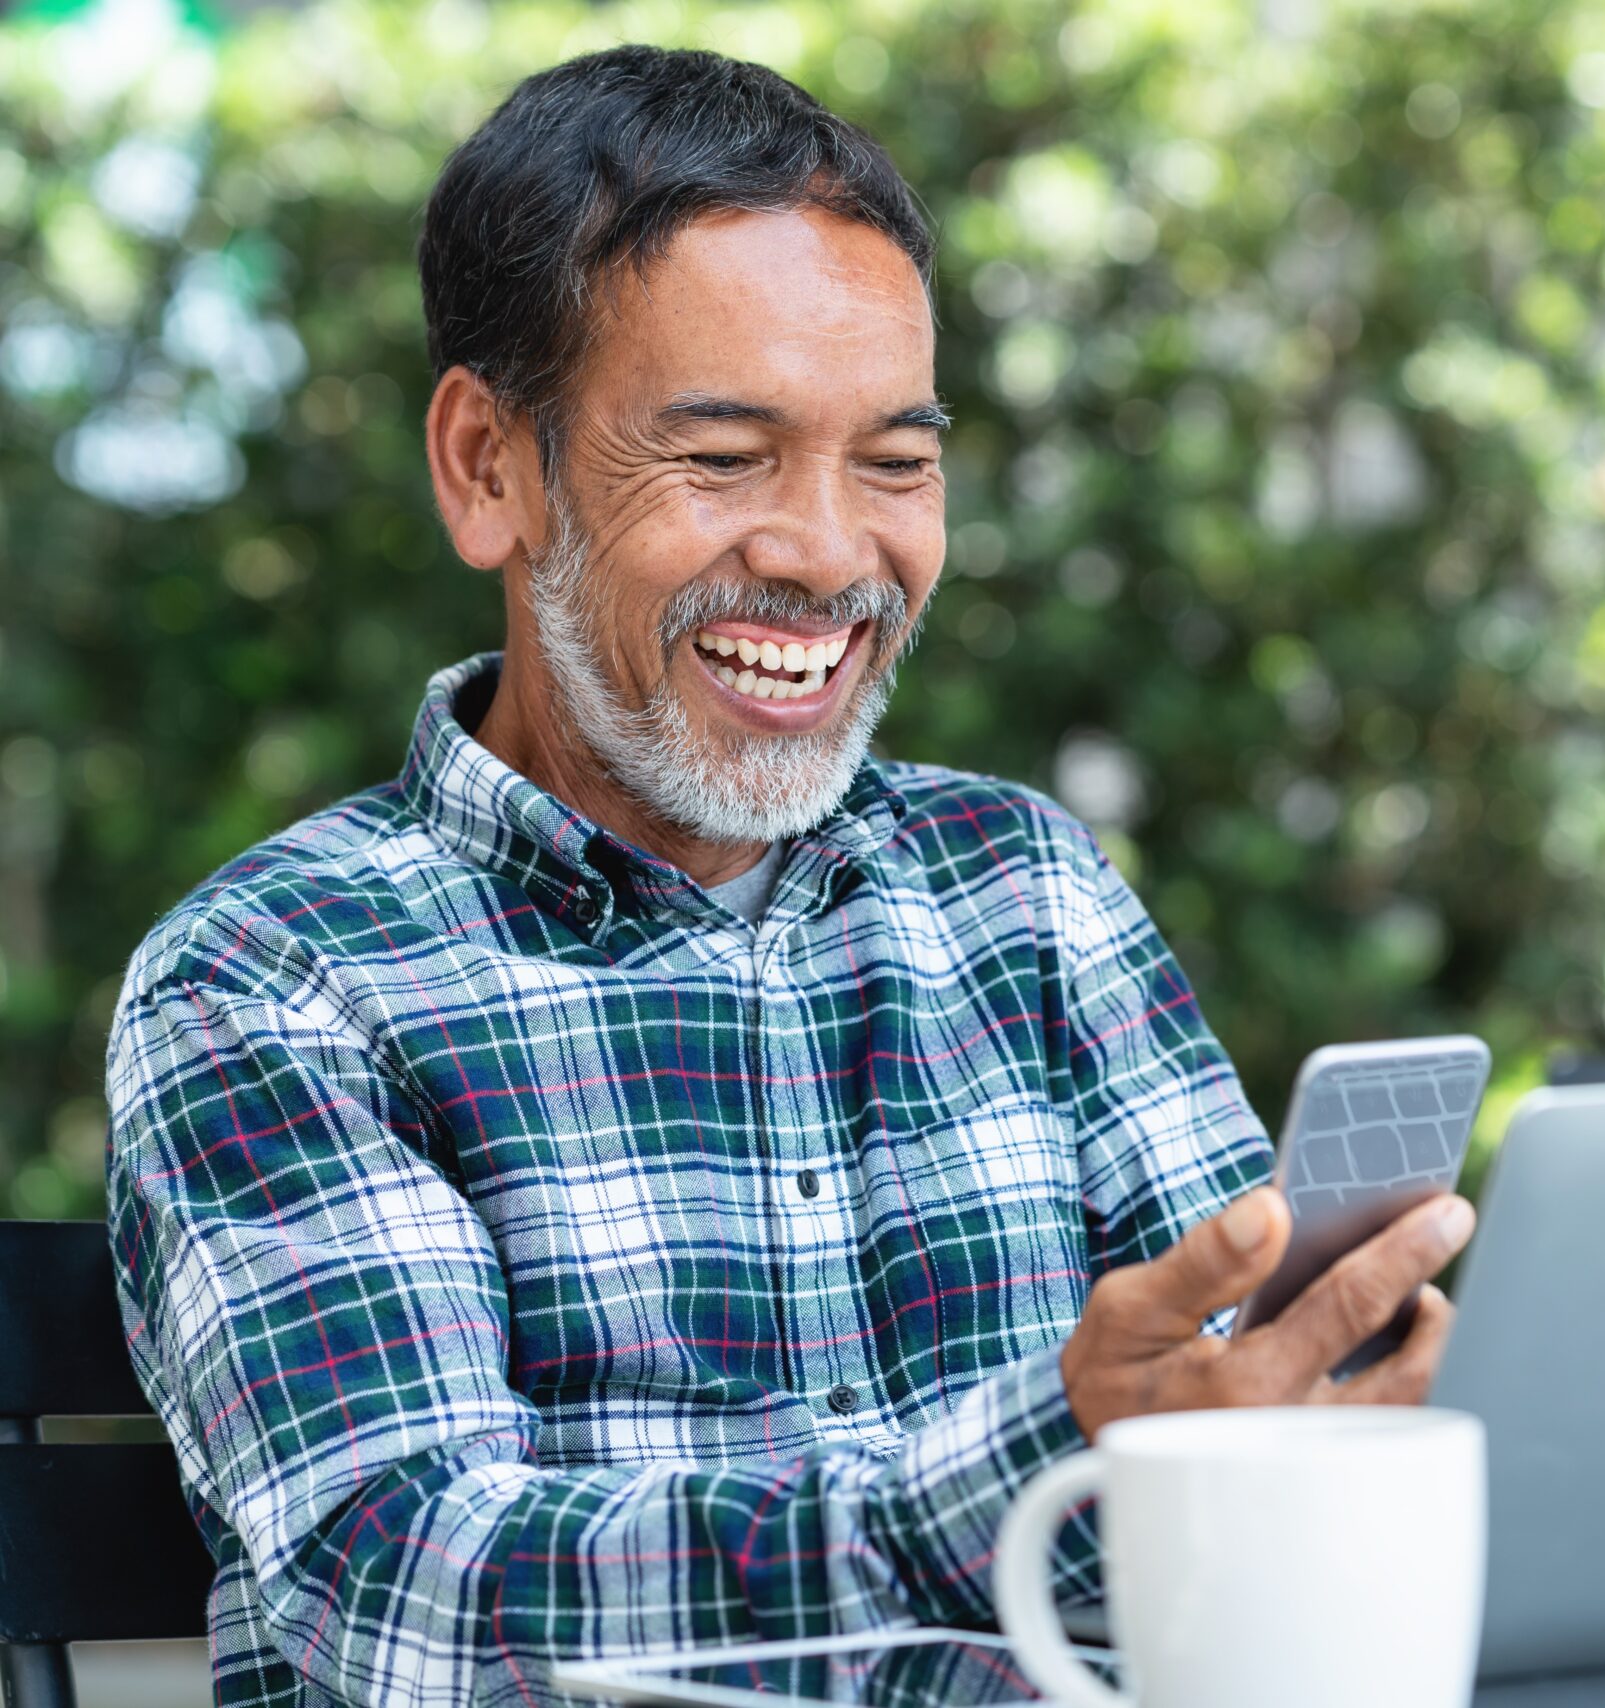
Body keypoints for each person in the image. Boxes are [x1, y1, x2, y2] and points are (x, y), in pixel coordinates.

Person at [104, 45, 1473, 1706]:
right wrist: (1045, 1460)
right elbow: (412, 1593)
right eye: (725, 456)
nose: (830, 555)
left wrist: (1316, 1412)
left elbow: (1226, 1434)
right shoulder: (282, 978)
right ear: (488, 467)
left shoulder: (1020, 890)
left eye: (895, 462)